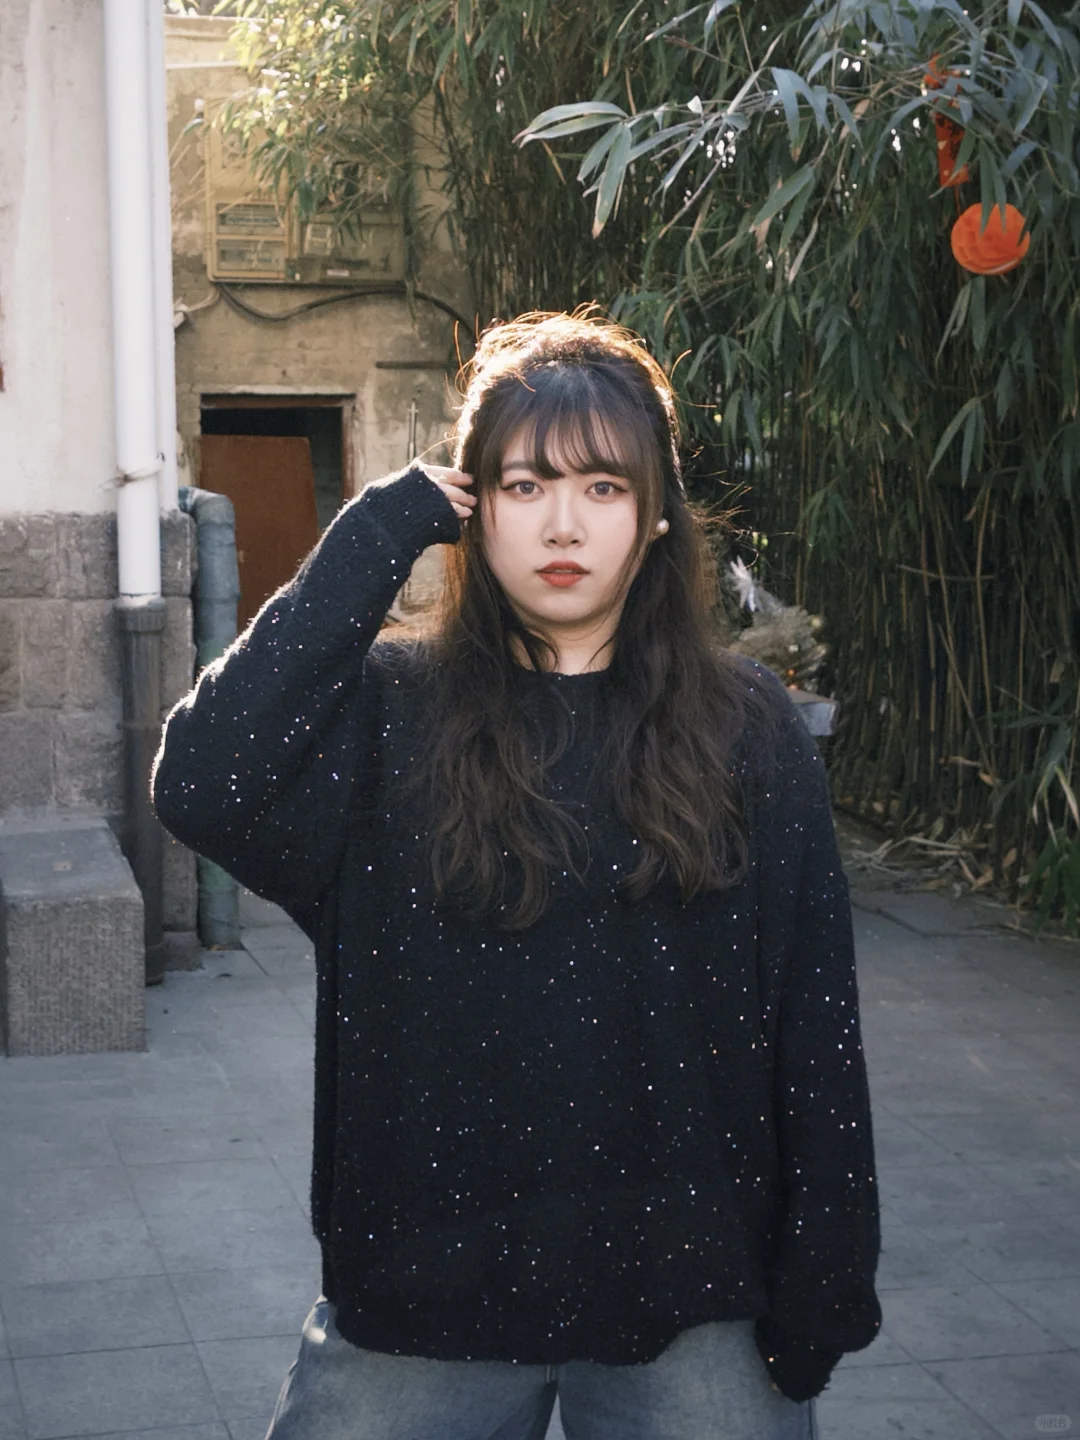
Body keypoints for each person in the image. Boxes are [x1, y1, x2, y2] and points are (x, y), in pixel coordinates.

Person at [152, 309, 881, 1440]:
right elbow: (202, 781)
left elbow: (811, 1011)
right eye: (525, 484)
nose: (563, 524)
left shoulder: (744, 725)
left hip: (689, 1291)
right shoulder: (391, 715)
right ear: (472, 505)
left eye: (603, 487)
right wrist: (376, 532)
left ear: (654, 516)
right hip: (423, 1292)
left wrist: (826, 1268)